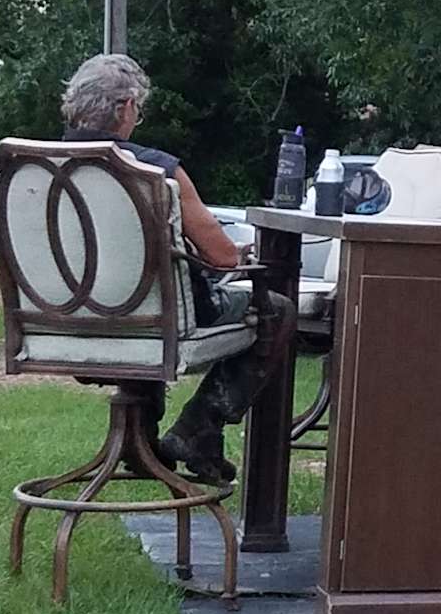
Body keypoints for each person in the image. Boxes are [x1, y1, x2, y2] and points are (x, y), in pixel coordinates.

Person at [59, 54, 296, 482]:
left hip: (66, 325)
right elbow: (222, 256)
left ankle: (141, 437)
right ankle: (198, 430)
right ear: (126, 107)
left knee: (138, 297)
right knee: (277, 310)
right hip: (156, 322)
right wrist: (243, 255)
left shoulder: (36, 167)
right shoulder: (156, 169)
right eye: (139, 109)